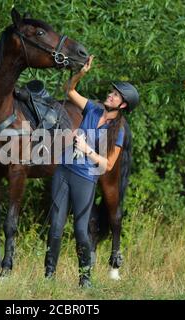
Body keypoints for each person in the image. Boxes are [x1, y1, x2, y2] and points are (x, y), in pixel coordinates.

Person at [44, 55, 139, 287]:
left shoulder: (119, 130)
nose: (111, 94)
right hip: (63, 171)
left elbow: (107, 165)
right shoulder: (93, 109)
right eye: (112, 91)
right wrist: (81, 73)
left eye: (116, 94)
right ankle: (48, 279)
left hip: (85, 179)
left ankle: (85, 281)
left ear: (123, 104)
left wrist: (87, 149)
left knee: (80, 230)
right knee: (55, 226)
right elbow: (69, 90)